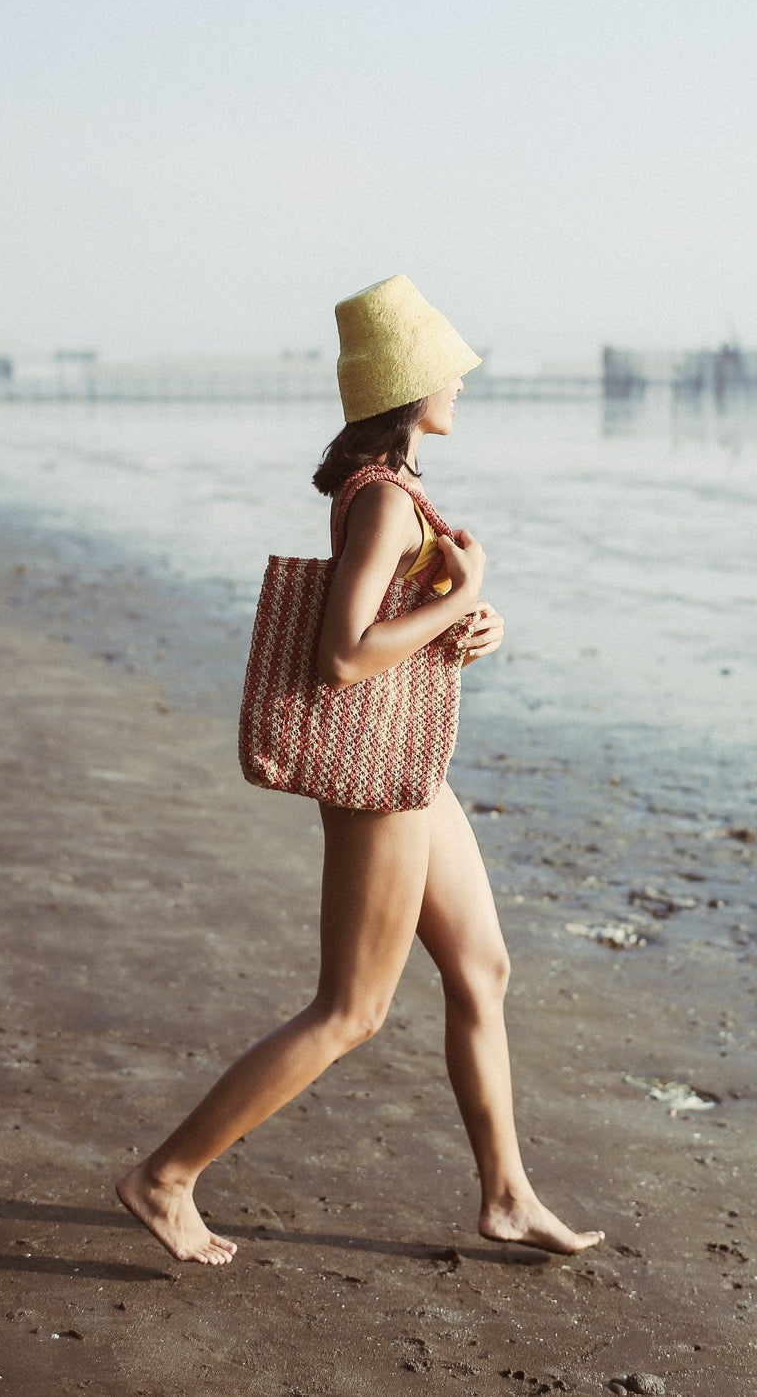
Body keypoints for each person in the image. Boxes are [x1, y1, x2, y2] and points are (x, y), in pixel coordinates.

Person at [117, 275, 604, 1264]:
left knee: (481, 968)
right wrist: (459, 587)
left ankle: (506, 1193)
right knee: (352, 1008)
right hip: (380, 778)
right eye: (447, 373)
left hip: (412, 769)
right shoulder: (383, 500)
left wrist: (471, 625)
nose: (460, 386)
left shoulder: (393, 494)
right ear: (405, 387)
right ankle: (163, 1177)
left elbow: (397, 633)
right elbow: (343, 654)